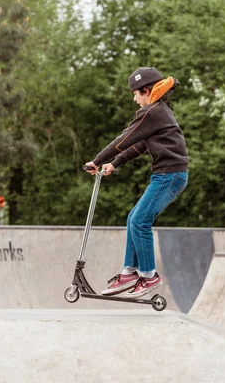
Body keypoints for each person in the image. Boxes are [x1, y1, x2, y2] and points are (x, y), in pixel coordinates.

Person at [85, 67, 189, 298]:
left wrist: (97, 160)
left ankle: (149, 276)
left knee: (141, 220)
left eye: (135, 93)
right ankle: (130, 271)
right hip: (168, 175)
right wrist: (115, 163)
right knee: (134, 218)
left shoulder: (152, 112)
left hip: (169, 176)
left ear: (147, 90)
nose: (134, 98)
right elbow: (139, 145)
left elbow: (124, 139)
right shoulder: (158, 113)